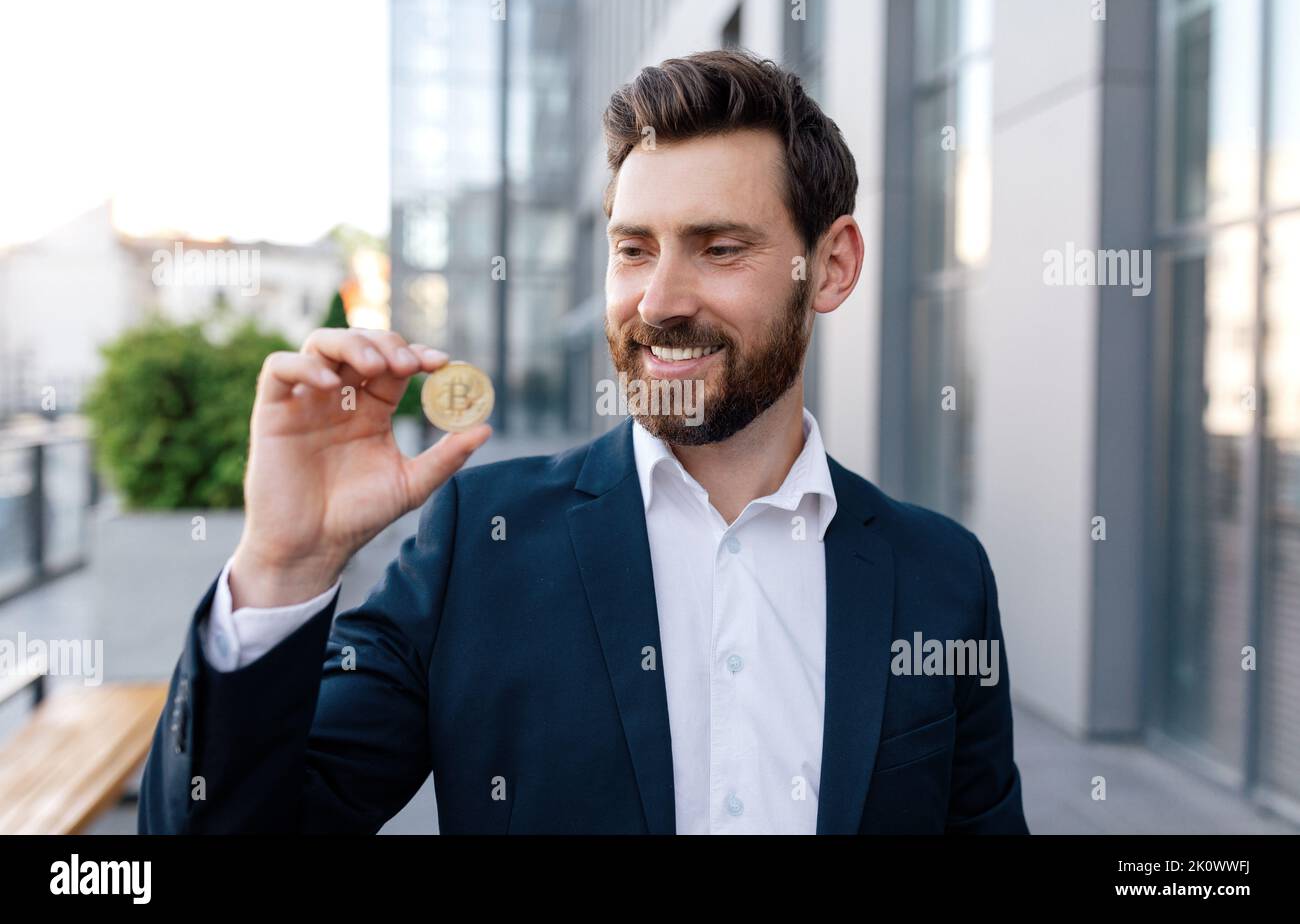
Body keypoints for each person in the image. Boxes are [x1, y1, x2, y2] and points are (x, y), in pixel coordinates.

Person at [139, 49, 1028, 835]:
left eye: (719, 248)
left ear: (830, 266)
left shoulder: (942, 577)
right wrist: (284, 566)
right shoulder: (478, 545)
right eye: (634, 249)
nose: (659, 301)